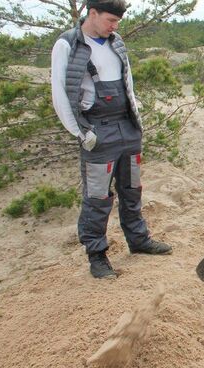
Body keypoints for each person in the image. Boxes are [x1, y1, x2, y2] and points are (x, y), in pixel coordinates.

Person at [51, 0, 172, 279]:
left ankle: (138, 241)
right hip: (97, 131)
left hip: (126, 129)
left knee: (132, 188)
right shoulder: (67, 44)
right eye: (110, 21)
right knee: (97, 197)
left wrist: (136, 123)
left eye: (117, 22)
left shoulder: (116, 42)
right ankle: (97, 256)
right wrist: (82, 133)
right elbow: (60, 95)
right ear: (91, 13)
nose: (115, 27)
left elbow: (128, 84)